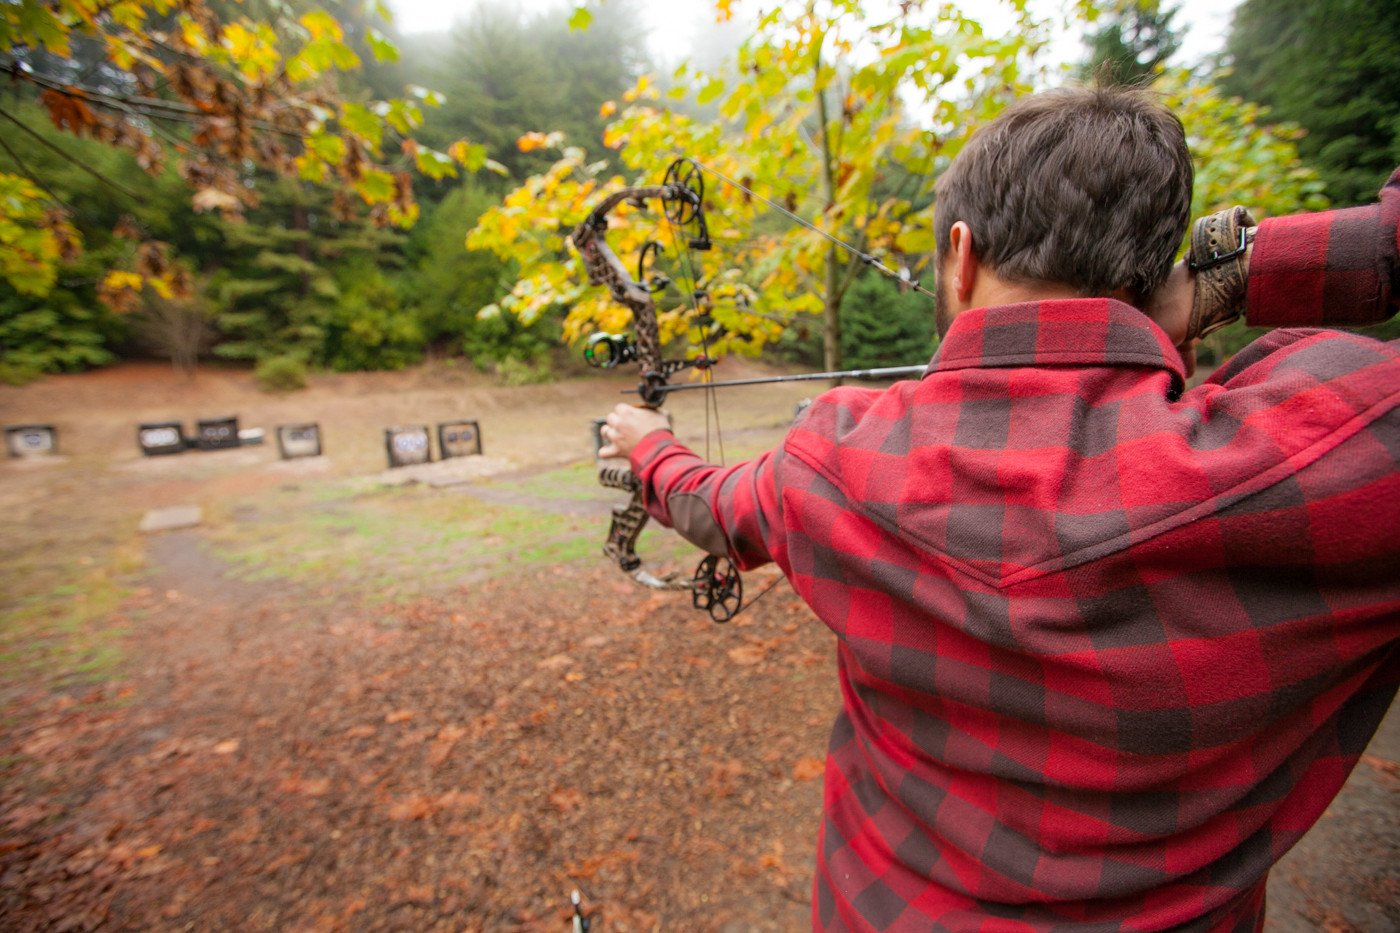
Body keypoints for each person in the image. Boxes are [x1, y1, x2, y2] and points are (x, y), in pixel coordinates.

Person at [598, 86, 1400, 932]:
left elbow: (707, 503)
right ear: (1154, 270)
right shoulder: (1323, 453)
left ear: (960, 255)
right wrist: (1245, 272)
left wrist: (649, 442)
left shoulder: (835, 454)